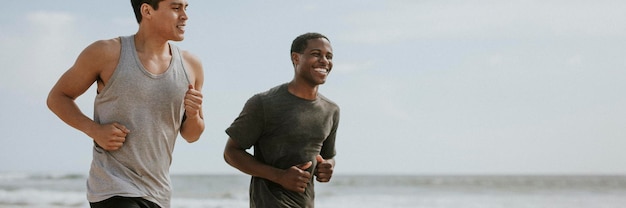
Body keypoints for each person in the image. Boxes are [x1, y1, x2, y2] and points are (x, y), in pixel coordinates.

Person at [46, 0, 204, 207]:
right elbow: (57, 97)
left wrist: (193, 115)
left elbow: (192, 135)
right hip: (113, 188)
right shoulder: (106, 52)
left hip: (159, 193)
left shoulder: (191, 66)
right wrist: (94, 130)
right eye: (176, 8)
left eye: (186, 7)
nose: (185, 16)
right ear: (147, 10)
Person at [223, 32, 340, 208]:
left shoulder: (331, 110)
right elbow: (231, 153)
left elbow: (328, 156)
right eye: (316, 54)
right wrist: (279, 176)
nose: (324, 61)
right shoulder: (264, 103)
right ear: (296, 58)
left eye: (328, 56)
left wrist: (328, 167)